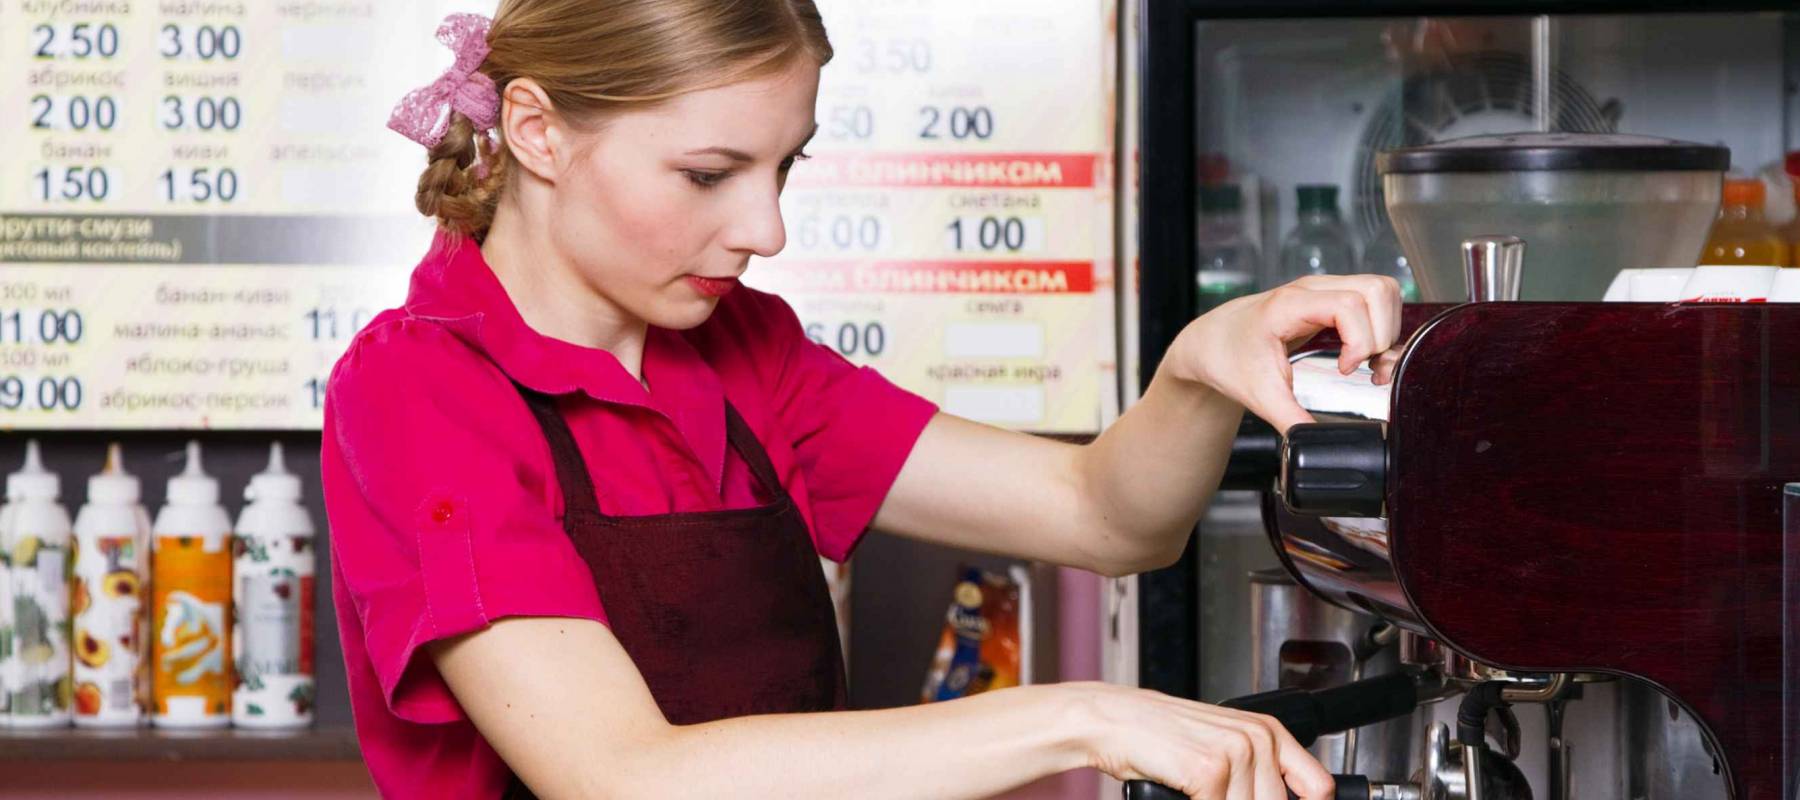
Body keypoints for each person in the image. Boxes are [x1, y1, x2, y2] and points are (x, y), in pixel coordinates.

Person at [321, 2, 1403, 798]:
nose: (766, 229)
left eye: (784, 167)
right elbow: (621, 774)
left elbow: (1108, 518)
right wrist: (1084, 717)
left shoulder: (747, 351)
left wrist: (1198, 367)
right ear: (537, 130)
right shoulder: (418, 391)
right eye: (709, 174)